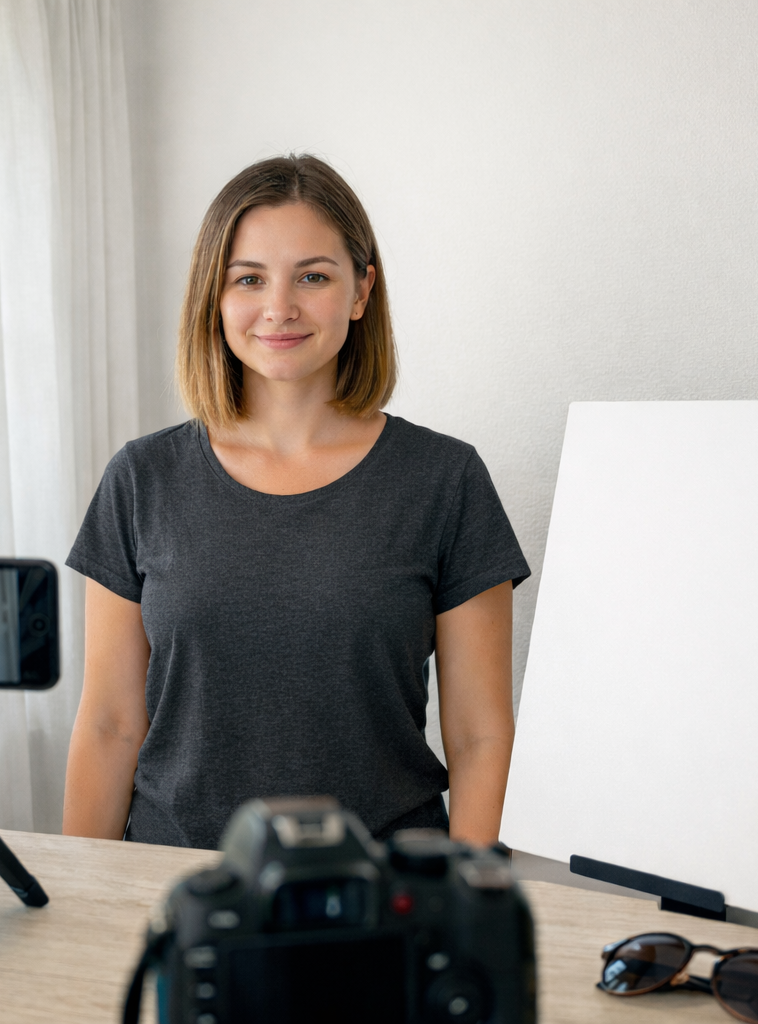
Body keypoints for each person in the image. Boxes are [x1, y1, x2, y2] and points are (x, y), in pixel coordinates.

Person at [63, 155, 530, 850]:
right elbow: (109, 724)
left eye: (313, 276)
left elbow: (481, 737)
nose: (279, 308)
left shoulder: (445, 480)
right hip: (172, 889)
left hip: (381, 898)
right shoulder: (142, 477)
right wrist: (82, 903)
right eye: (249, 279)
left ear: (361, 290)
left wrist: (463, 909)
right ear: (213, 297)